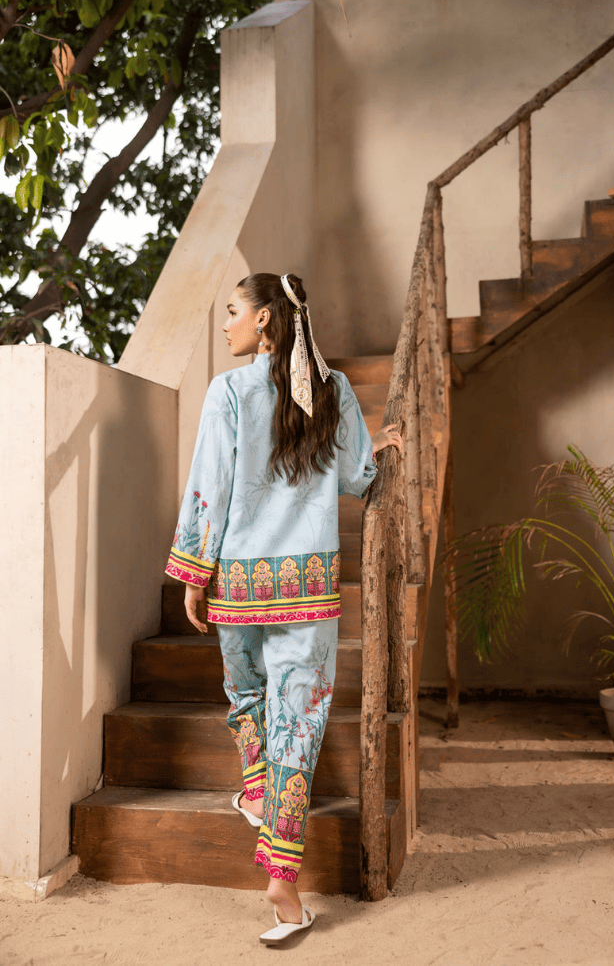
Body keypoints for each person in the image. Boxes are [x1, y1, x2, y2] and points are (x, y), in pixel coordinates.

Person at [165, 273, 402, 944]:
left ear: (267, 320)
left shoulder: (229, 391)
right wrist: (378, 446)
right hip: (309, 589)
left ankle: (259, 792)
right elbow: (359, 477)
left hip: (240, 587)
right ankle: (283, 881)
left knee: (246, 698)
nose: (226, 325)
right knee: (297, 729)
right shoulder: (337, 390)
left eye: (233, 312)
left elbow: (208, 483)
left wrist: (193, 571)